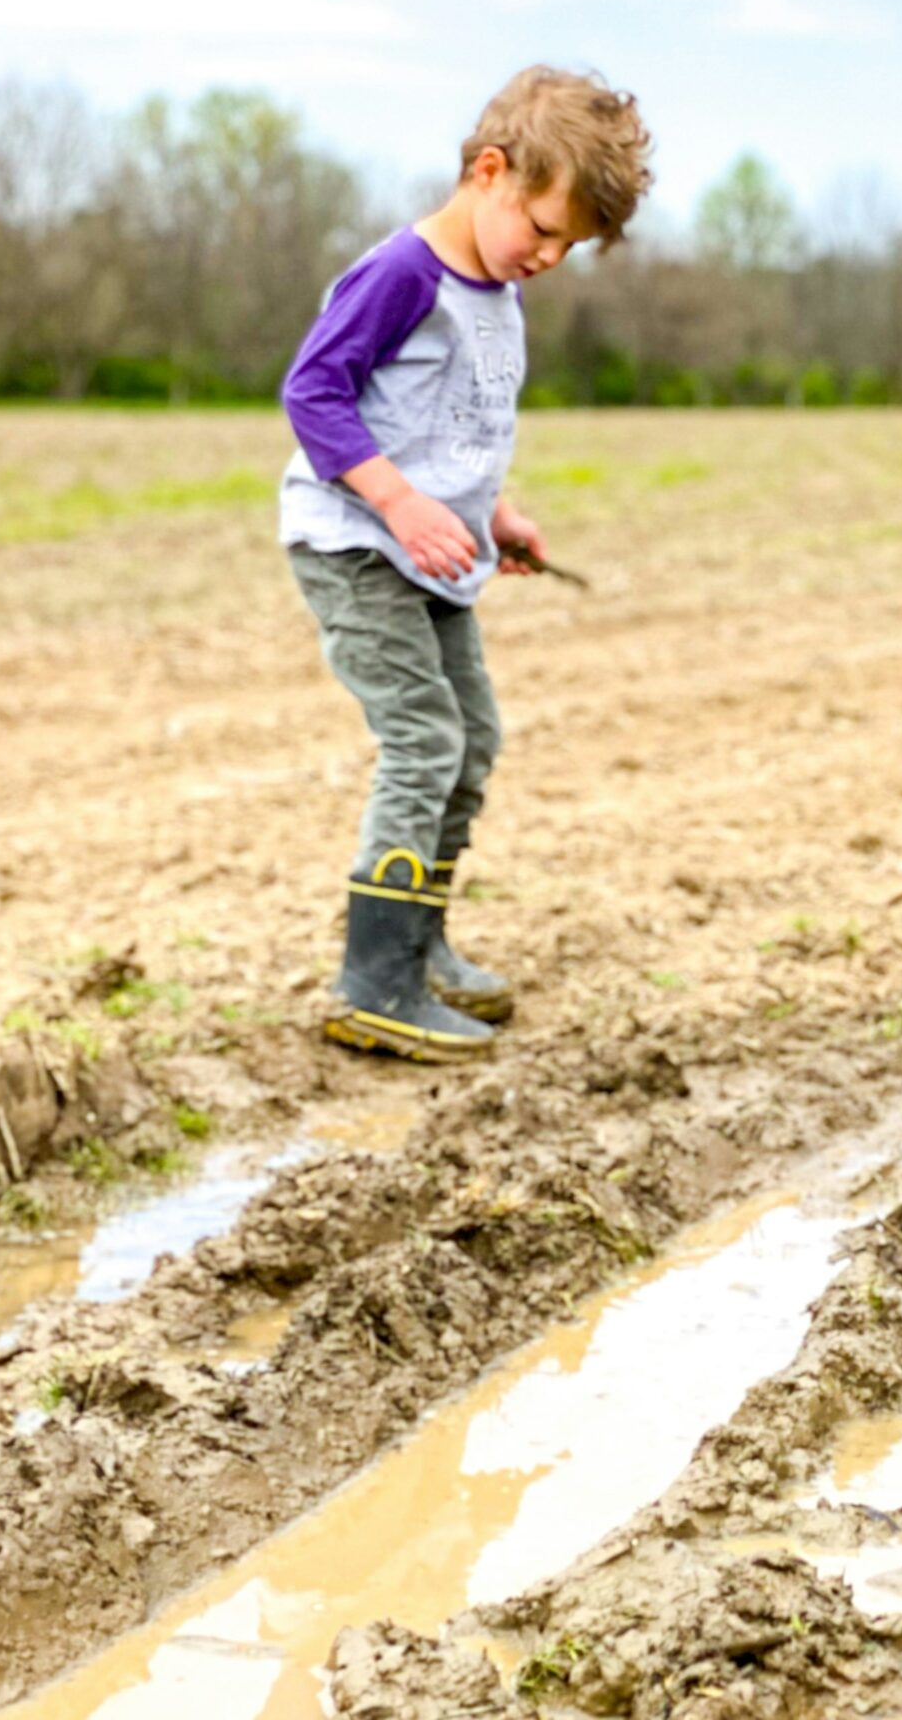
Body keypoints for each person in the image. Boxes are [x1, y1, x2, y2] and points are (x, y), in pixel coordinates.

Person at [279, 65, 651, 1061]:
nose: (550, 254)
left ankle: (420, 941)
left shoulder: (496, 288)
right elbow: (313, 391)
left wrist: (494, 513)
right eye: (543, 227)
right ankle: (376, 982)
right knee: (424, 741)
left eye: (569, 244)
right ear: (491, 172)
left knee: (470, 737)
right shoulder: (403, 274)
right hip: (356, 544)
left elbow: (448, 427)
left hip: (431, 552)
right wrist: (398, 502)